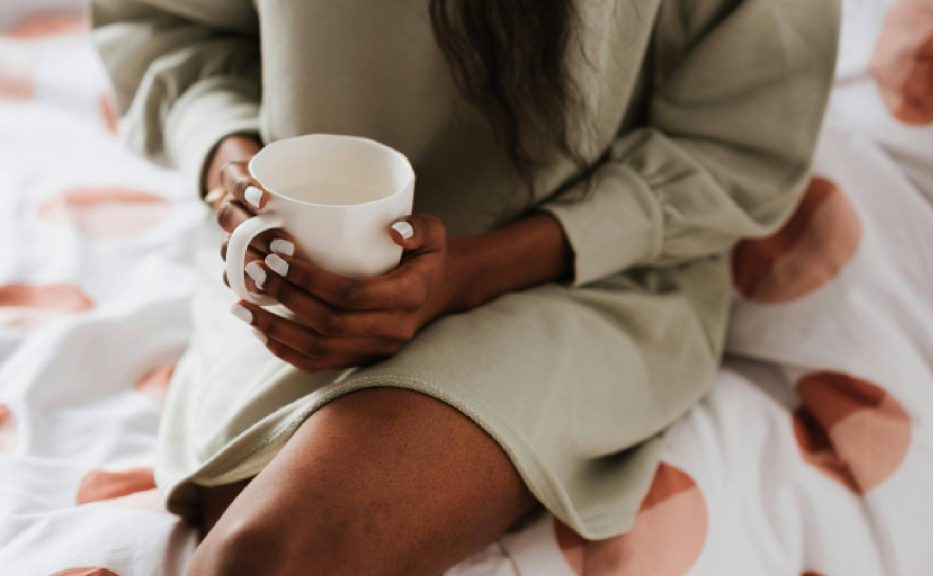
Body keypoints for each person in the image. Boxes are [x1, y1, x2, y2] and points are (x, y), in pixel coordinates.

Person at [91, 0, 839, 573]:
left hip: (587, 268)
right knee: (256, 520)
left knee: (271, 552)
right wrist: (242, 180)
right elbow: (168, 29)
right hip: (301, 268)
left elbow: (737, 144)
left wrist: (468, 274)